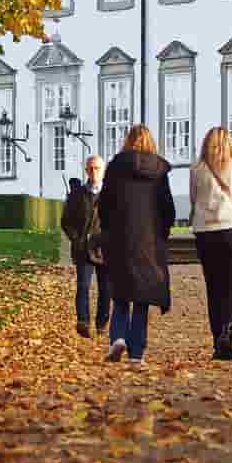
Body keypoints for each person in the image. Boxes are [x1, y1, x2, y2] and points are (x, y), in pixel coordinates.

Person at [98, 124, 176, 365]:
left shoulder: (116, 167)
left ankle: (118, 337)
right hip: (148, 240)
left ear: (127, 141)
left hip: (121, 237)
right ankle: (136, 351)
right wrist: (160, 233)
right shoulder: (159, 171)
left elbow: (105, 204)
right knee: (142, 296)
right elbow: (167, 208)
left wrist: (108, 230)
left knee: (121, 291)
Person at [189, 126, 232, 361]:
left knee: (213, 286)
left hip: (206, 232)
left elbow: (194, 198)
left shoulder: (197, 169)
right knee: (231, 286)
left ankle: (217, 337)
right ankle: (228, 329)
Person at [62, 156, 109, 338]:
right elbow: (66, 221)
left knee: (106, 289)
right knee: (83, 286)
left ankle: (102, 324)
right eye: (90, 168)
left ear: (103, 170)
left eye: (97, 168)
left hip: (105, 248)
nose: (93, 172)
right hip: (83, 247)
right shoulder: (77, 194)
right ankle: (83, 322)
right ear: (86, 171)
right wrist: (77, 239)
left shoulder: (111, 193)